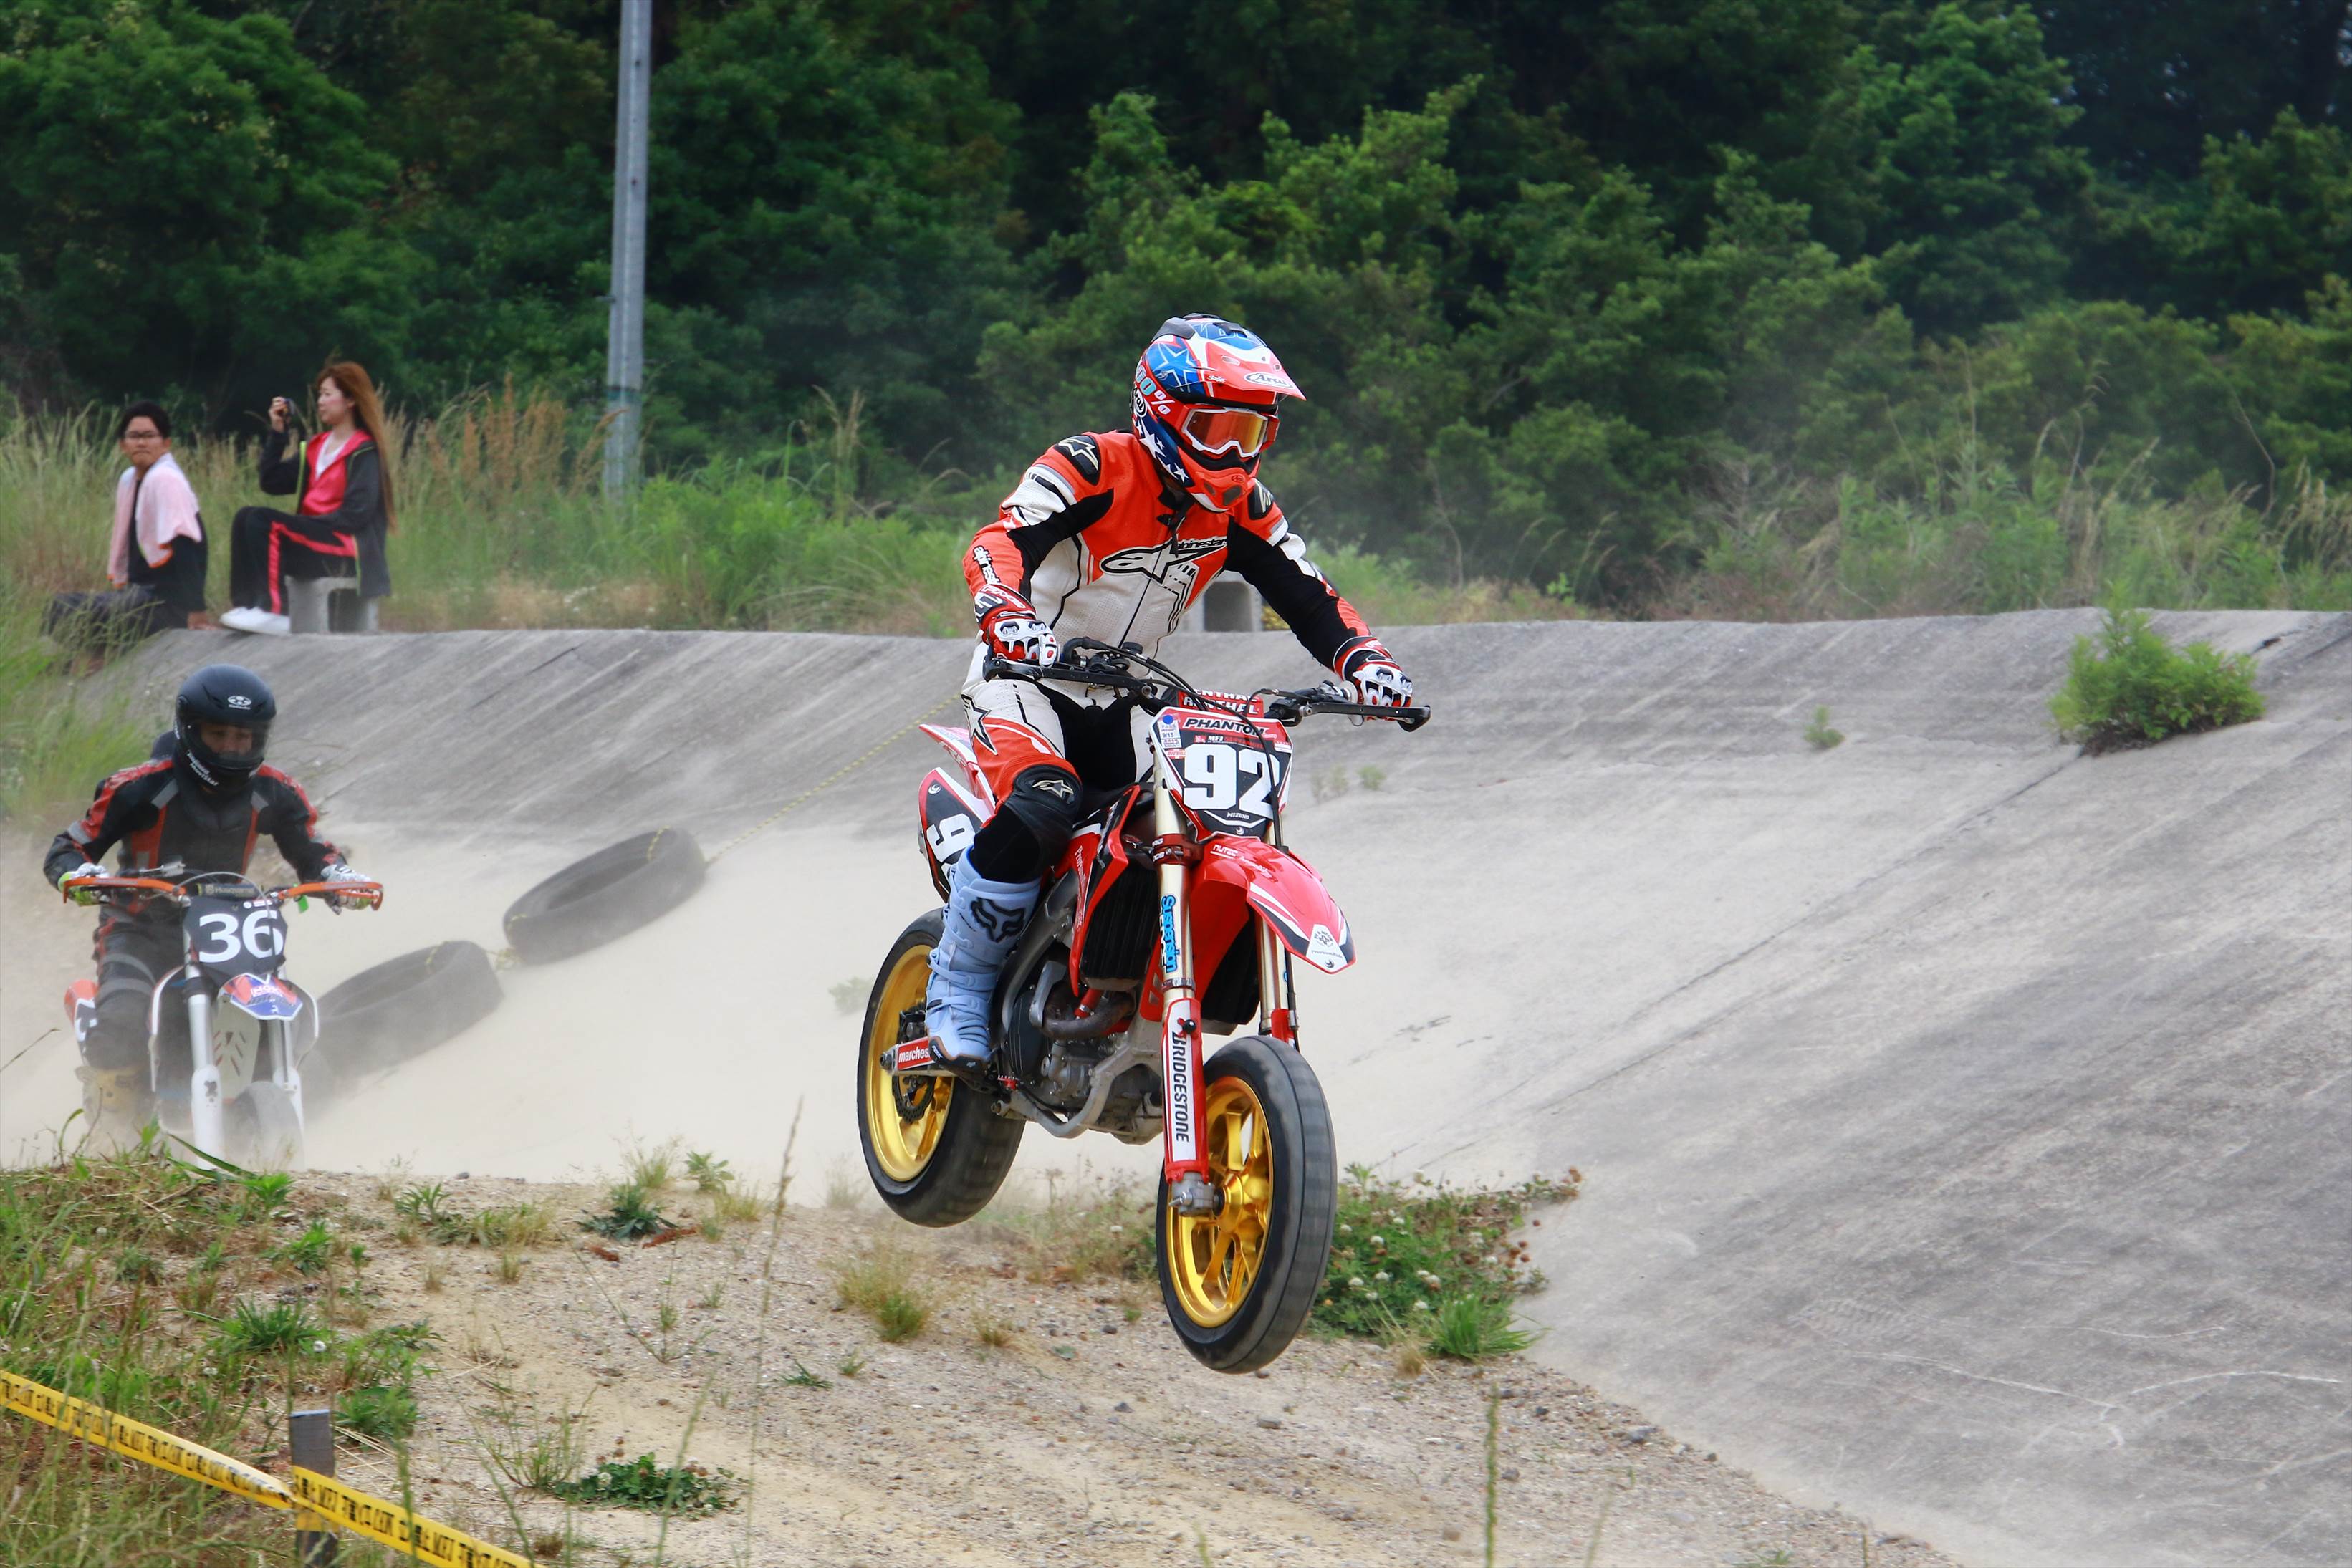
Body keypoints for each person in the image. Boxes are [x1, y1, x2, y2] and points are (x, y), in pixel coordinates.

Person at [917, 313, 1419, 1072]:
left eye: (1250, 434)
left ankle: (1128, 981)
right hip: (1027, 677)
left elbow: (1309, 594)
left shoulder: (1241, 507)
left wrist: (1367, 661)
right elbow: (1002, 540)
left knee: (1200, 824)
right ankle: (956, 988)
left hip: (1131, 695)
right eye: (1216, 429)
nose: (1233, 454)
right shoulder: (1089, 465)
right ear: (1161, 413)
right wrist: (1007, 614)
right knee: (1045, 801)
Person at [45, 664, 371, 1137]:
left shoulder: (275, 790)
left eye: (244, 737)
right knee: (121, 1025)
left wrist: (337, 876)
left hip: (226, 930)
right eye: (218, 734)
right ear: (189, 730)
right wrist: (80, 874)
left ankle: (257, 1114)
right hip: (140, 928)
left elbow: (312, 850)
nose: (231, 748)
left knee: (277, 1014)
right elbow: (69, 846)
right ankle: (111, 1133)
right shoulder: (139, 786)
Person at [219, 362, 394, 635]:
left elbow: (355, 514)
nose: (320, 401)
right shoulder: (316, 447)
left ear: (350, 400)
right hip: (313, 540)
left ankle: (275, 611)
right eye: (319, 395)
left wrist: (306, 525)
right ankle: (248, 605)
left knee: (264, 521)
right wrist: (278, 432)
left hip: (348, 550)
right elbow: (271, 482)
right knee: (246, 517)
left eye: (327, 394)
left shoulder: (365, 451)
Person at [43, 402, 207, 650]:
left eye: (149, 436)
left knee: (70, 611)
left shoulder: (166, 479)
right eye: (134, 436)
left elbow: (185, 543)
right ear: (123, 445)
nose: (141, 443)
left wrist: (196, 609)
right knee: (59, 606)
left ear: (166, 444)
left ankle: (95, 656)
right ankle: (96, 657)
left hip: (168, 603)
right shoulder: (129, 480)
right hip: (139, 595)